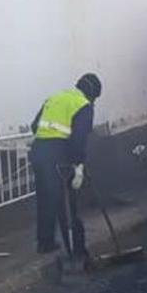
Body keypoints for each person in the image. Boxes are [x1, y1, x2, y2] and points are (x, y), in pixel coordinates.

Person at [31, 73, 101, 266]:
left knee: (46, 198)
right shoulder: (83, 105)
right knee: (67, 202)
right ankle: (76, 250)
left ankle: (45, 243)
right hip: (58, 157)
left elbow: (34, 126)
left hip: (38, 152)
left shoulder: (55, 97)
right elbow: (79, 140)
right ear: (93, 95)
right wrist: (78, 165)